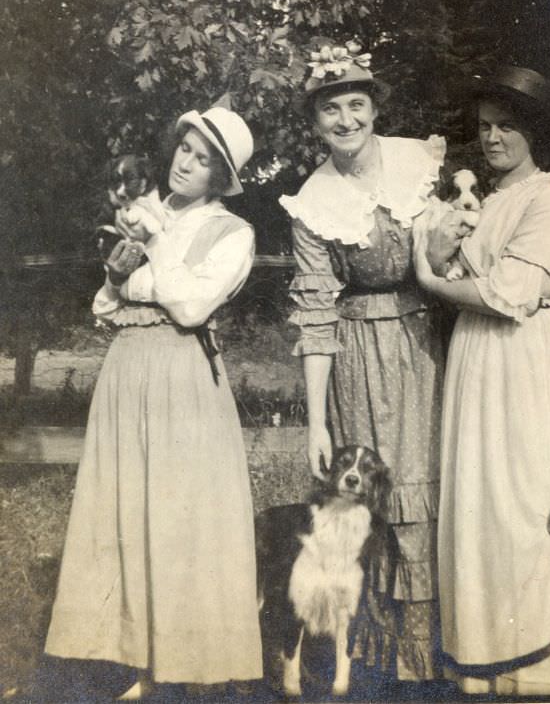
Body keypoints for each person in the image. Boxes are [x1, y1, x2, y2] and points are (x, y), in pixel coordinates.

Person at [45, 103, 263, 698]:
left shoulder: (232, 232)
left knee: (177, 512)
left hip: (181, 374)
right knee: (123, 505)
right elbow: (109, 306)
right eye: (184, 149)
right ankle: (128, 654)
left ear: (221, 177)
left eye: (203, 159)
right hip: (127, 367)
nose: (185, 164)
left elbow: (192, 308)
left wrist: (158, 248)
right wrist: (117, 277)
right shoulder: (144, 215)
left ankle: (182, 662)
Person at [412, 65, 550, 695]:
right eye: (486, 127)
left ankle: (545, 663)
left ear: (535, 133)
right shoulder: (482, 201)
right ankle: (484, 657)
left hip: (524, 358)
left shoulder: (549, 199)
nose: (493, 138)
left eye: (507, 127)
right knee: (481, 494)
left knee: (526, 492)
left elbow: (512, 292)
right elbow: (447, 258)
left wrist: (434, 283)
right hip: (474, 355)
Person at [279, 41, 447, 682]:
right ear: (315, 121)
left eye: (356, 104)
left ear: (375, 108)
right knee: (371, 492)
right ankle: (379, 656)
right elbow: (317, 314)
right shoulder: (312, 201)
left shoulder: (417, 161)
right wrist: (317, 422)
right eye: (330, 109)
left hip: (425, 343)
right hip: (355, 357)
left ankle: (434, 646)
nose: (346, 120)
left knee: (426, 482)